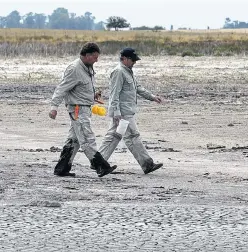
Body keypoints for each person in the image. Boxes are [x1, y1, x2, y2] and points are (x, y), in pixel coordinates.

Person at [49, 42, 117, 177]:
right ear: (87, 55)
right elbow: (61, 89)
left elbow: (81, 88)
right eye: (95, 57)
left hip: (84, 108)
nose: (97, 60)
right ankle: (100, 166)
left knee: (73, 140)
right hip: (77, 110)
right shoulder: (74, 69)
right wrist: (54, 107)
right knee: (87, 138)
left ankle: (61, 169)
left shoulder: (88, 67)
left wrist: (93, 95)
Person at [98, 47, 163, 174]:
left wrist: (152, 97)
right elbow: (114, 94)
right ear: (125, 59)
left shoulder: (128, 71)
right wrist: (116, 113)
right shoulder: (118, 72)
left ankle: (98, 162)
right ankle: (147, 164)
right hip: (122, 113)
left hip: (126, 111)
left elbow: (138, 88)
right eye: (133, 60)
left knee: (116, 137)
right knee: (131, 136)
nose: (135, 62)